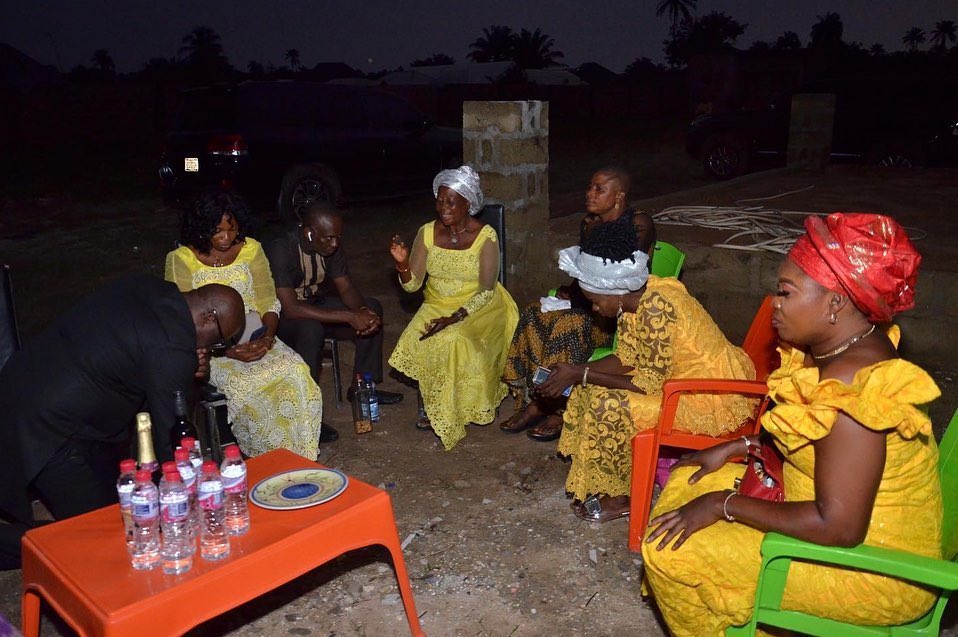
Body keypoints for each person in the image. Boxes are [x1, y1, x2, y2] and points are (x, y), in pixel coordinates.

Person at [642, 213, 941, 636]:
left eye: (786, 292)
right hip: (839, 531)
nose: (774, 304)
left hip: (873, 572)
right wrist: (742, 446)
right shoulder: (847, 350)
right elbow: (817, 444)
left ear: (835, 302)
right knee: (689, 482)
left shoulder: (853, 390)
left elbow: (838, 526)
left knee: (669, 551)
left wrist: (722, 507)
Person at [0, 276, 244, 569]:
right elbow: (171, 436)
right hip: (47, 425)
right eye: (218, 341)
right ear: (207, 317)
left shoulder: (154, 288)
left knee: (121, 508)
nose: (214, 349)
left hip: (27, 381)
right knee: (105, 536)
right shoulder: (173, 347)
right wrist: (185, 499)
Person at [538, 231, 756, 523]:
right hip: (677, 381)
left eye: (594, 300)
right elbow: (627, 359)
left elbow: (647, 384)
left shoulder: (656, 306)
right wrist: (574, 371)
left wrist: (582, 373)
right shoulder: (634, 300)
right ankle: (604, 482)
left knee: (611, 406)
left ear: (614, 291)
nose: (594, 307)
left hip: (707, 395)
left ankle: (622, 497)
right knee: (587, 390)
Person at [165, 190, 324, 459]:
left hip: (257, 336)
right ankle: (266, 458)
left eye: (232, 229)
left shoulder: (251, 249)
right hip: (213, 351)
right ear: (201, 228)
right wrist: (225, 352)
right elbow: (183, 319)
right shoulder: (182, 259)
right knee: (250, 385)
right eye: (217, 231)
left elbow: (267, 298)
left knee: (296, 371)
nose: (226, 237)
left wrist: (267, 338)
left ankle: (300, 456)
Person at [501, 166, 656, 442]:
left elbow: (619, 274)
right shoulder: (589, 222)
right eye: (589, 187)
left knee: (571, 323)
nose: (590, 194)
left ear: (619, 196)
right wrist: (571, 291)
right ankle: (538, 397)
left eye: (599, 189)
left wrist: (582, 295)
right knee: (534, 313)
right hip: (592, 299)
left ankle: (560, 409)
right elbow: (586, 270)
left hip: (618, 309)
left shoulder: (638, 224)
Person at [388, 165, 519, 450]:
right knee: (416, 335)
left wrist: (455, 317)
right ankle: (438, 402)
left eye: (451, 201)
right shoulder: (426, 233)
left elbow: (487, 288)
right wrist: (402, 264)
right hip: (437, 302)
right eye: (440, 199)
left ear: (468, 204)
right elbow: (412, 286)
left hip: (480, 306)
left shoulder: (485, 237)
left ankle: (467, 403)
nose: (443, 207)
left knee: (454, 338)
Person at [265, 202, 403, 416]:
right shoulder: (282, 247)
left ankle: (362, 388)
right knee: (310, 330)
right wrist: (349, 316)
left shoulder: (330, 244)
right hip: (283, 318)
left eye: (338, 237)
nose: (335, 243)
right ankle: (306, 411)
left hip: (315, 305)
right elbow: (290, 308)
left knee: (372, 308)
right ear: (309, 233)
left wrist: (362, 312)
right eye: (329, 238)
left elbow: (345, 287)